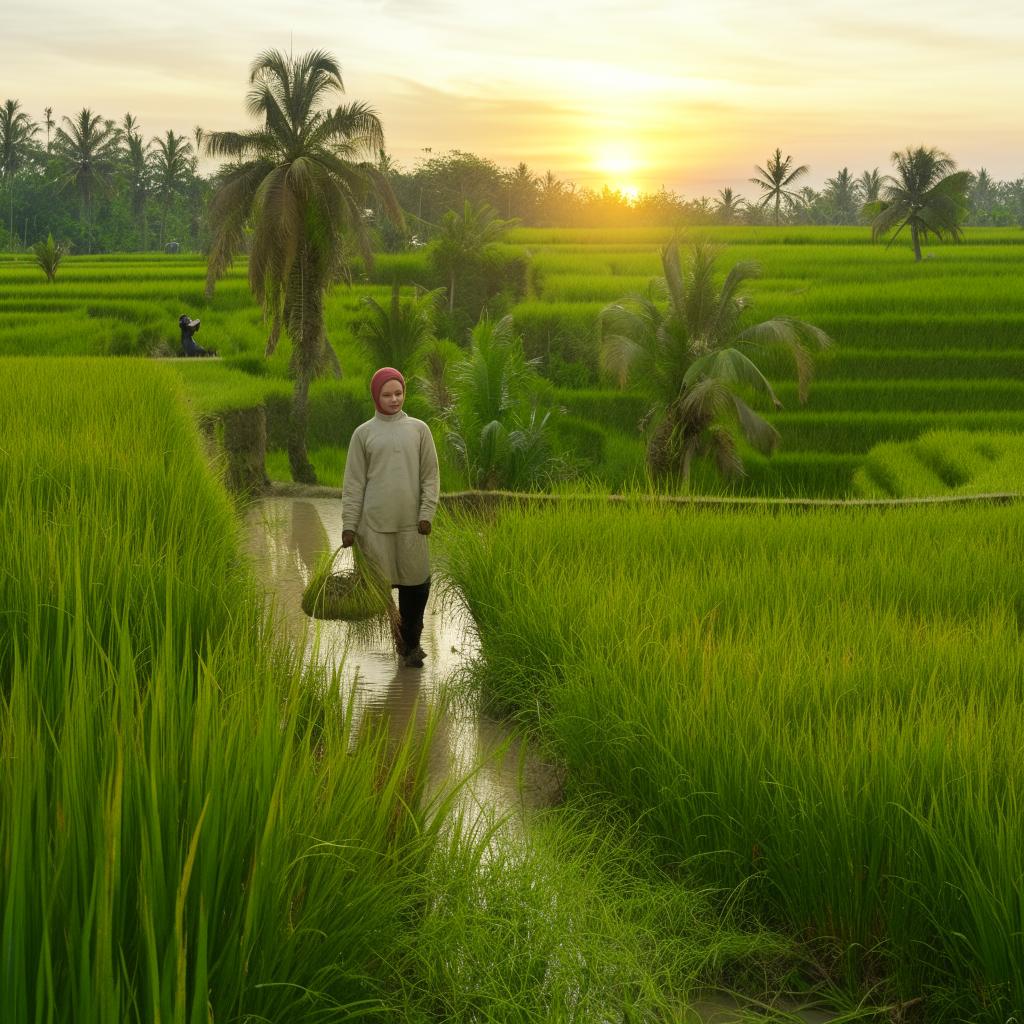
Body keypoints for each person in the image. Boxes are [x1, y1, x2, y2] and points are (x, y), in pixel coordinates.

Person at [341, 367, 440, 668]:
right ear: (376, 396)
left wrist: (426, 513)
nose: (394, 399)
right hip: (374, 526)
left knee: (417, 585)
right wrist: (349, 525)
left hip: (412, 526)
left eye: (398, 393)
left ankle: (412, 643)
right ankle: (399, 640)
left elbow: (430, 476)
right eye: (387, 394)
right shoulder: (364, 434)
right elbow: (354, 483)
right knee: (380, 588)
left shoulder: (419, 429)